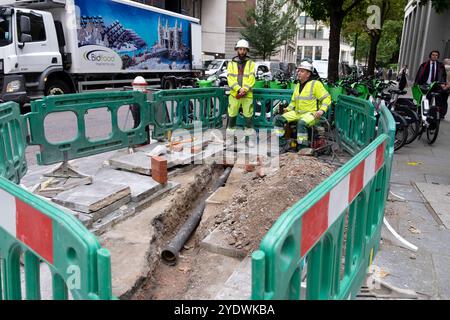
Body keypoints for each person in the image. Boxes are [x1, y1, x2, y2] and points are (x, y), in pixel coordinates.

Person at [273, 61, 331, 152]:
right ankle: (281, 144)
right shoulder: (298, 85)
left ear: (308, 74)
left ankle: (303, 148)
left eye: (301, 71)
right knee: (278, 119)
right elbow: (293, 102)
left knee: (301, 123)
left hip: (312, 114)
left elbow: (327, 98)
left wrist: (321, 111)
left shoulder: (316, 84)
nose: (298, 73)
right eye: (298, 71)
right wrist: (287, 109)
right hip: (297, 113)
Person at [226, 39, 256, 145]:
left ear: (246, 50)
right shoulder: (231, 63)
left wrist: (245, 89)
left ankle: (250, 139)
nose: (242, 51)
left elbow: (252, 78)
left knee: (248, 118)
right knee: (232, 117)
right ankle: (230, 138)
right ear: (237, 50)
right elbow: (230, 78)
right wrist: (239, 89)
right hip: (235, 95)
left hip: (247, 95)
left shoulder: (251, 64)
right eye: (240, 49)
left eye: (244, 49)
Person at [414, 50, 448, 118]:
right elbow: (419, 75)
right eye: (433, 55)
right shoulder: (424, 64)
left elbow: (443, 75)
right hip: (426, 85)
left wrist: (443, 83)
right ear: (430, 55)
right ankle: (424, 113)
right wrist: (417, 83)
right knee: (426, 100)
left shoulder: (440, 65)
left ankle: (438, 115)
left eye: (436, 55)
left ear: (438, 57)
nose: (434, 56)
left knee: (439, 101)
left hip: (436, 85)